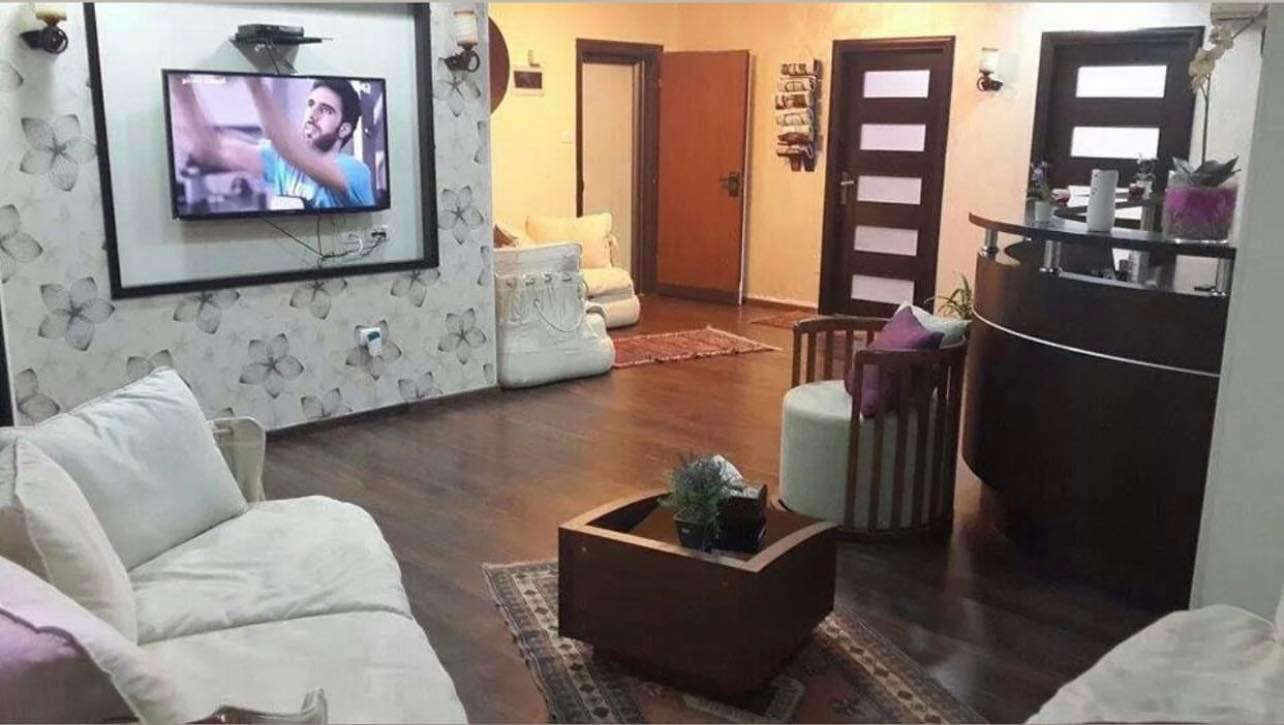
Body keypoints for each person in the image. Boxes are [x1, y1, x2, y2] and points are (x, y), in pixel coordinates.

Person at [170, 74, 374, 210]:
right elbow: (210, 148)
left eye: (325, 110)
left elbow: (293, 152)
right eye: (311, 105)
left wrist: (254, 81)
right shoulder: (280, 159)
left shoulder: (356, 171)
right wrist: (179, 81)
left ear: (344, 129)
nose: (312, 115)